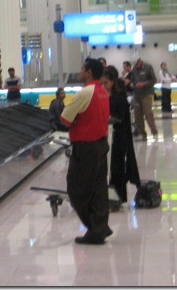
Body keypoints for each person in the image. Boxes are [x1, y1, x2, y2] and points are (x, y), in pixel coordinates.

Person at [60, 58, 112, 245]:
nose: (79, 71)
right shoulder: (103, 92)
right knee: (99, 190)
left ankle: (96, 229)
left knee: (76, 189)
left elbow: (65, 118)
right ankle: (100, 228)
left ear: (89, 72)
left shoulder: (85, 93)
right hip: (101, 144)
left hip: (85, 147)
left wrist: (76, 120)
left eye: (82, 68)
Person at [101, 66, 141, 203]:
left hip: (120, 136)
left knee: (117, 166)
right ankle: (113, 195)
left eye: (106, 83)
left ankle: (118, 196)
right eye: (102, 83)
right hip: (112, 135)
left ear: (112, 81)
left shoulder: (119, 96)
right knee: (112, 166)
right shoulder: (108, 95)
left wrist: (110, 119)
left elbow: (121, 116)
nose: (104, 85)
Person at [130, 56, 158, 141]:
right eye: (135, 64)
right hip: (137, 94)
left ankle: (154, 133)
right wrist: (132, 84)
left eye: (137, 63)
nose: (136, 65)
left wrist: (144, 84)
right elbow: (132, 80)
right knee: (137, 115)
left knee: (148, 113)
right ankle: (142, 134)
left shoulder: (148, 67)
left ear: (140, 61)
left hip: (146, 94)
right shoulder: (134, 69)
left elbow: (154, 80)